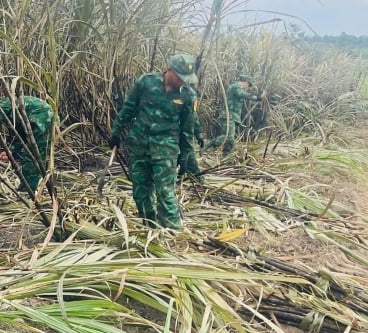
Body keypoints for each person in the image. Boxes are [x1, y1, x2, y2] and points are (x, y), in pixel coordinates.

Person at [108, 54, 201, 230]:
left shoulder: (188, 95)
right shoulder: (146, 82)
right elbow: (129, 107)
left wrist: (185, 157)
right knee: (140, 191)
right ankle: (150, 228)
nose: (183, 82)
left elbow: (188, 130)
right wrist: (116, 132)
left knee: (165, 191)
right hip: (139, 145)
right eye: (180, 77)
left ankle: (173, 232)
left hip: (166, 148)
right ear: (170, 71)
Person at [0, 94, 55, 194]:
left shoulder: (1, 105)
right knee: (31, 155)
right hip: (43, 120)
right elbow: (21, 135)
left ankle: (28, 191)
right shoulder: (10, 107)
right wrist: (10, 150)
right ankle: (28, 187)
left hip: (42, 121)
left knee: (32, 157)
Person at [205, 74, 261, 154]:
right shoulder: (235, 87)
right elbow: (241, 94)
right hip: (229, 116)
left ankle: (225, 155)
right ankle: (208, 143)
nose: (248, 88)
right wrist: (255, 97)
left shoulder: (237, 88)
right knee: (229, 137)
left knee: (229, 139)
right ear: (245, 82)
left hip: (232, 117)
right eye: (249, 85)